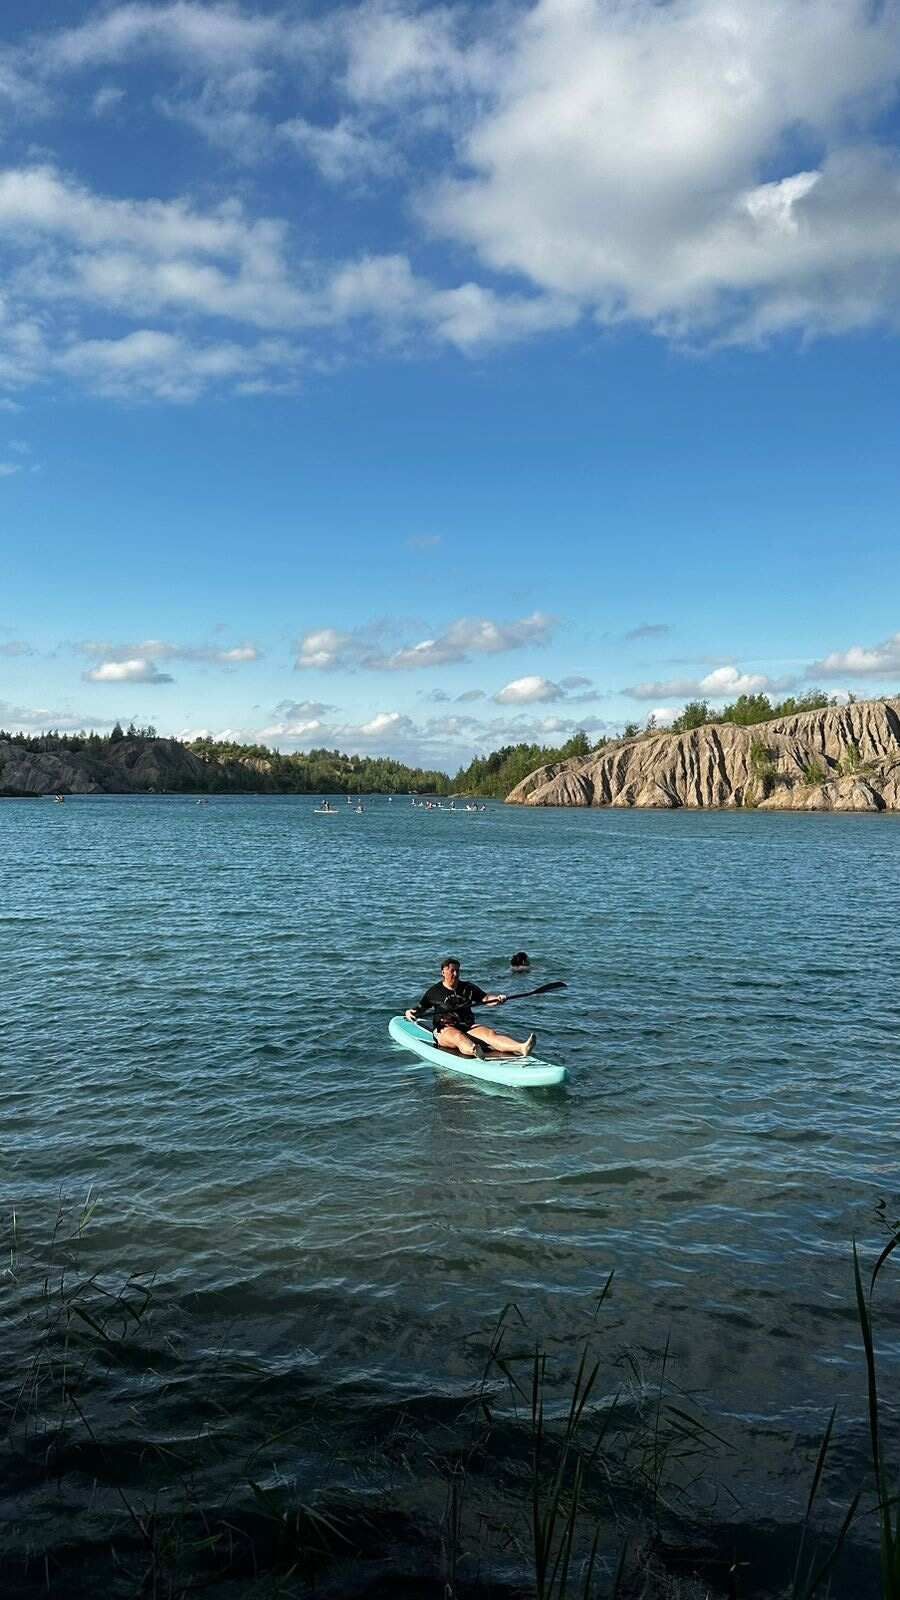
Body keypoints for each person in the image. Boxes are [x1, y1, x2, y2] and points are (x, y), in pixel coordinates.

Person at [405, 958, 536, 1059]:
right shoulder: (434, 992)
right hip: (444, 1029)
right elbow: (420, 1009)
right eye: (452, 971)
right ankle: (474, 1051)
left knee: (490, 1034)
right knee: (458, 1037)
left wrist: (497, 999)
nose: (456, 974)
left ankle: (521, 1047)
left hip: (467, 1025)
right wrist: (410, 1012)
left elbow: (485, 999)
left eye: (458, 971)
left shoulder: (468, 988)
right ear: (443, 972)